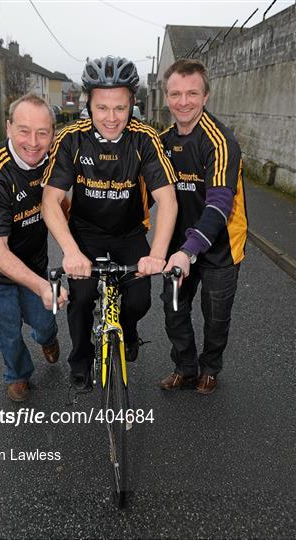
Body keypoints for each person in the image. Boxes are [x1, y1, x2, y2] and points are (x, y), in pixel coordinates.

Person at [42, 55, 178, 389]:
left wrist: (157, 254)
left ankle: (128, 332)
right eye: (102, 108)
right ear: (88, 102)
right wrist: (71, 252)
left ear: (133, 102)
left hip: (129, 232)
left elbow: (168, 200)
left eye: (121, 107)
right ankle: (81, 361)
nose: (112, 118)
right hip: (85, 234)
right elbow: (50, 202)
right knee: (82, 297)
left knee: (139, 300)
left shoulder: (145, 138)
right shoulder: (71, 138)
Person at [0, 93, 68, 402]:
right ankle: (17, 374)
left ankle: (47, 338)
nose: (33, 142)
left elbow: (62, 204)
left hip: (33, 260)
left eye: (42, 132)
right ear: (8, 128)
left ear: (53, 133)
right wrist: (41, 286)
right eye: (23, 130)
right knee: (7, 330)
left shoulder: (52, 162)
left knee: (46, 320)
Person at [159, 59, 248, 395]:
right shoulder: (163, 141)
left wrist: (189, 250)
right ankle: (185, 367)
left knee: (216, 317)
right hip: (177, 249)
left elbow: (219, 205)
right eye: (176, 93)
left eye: (192, 93)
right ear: (166, 97)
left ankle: (210, 367)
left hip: (220, 248)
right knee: (174, 310)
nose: (183, 101)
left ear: (206, 96)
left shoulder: (221, 141)